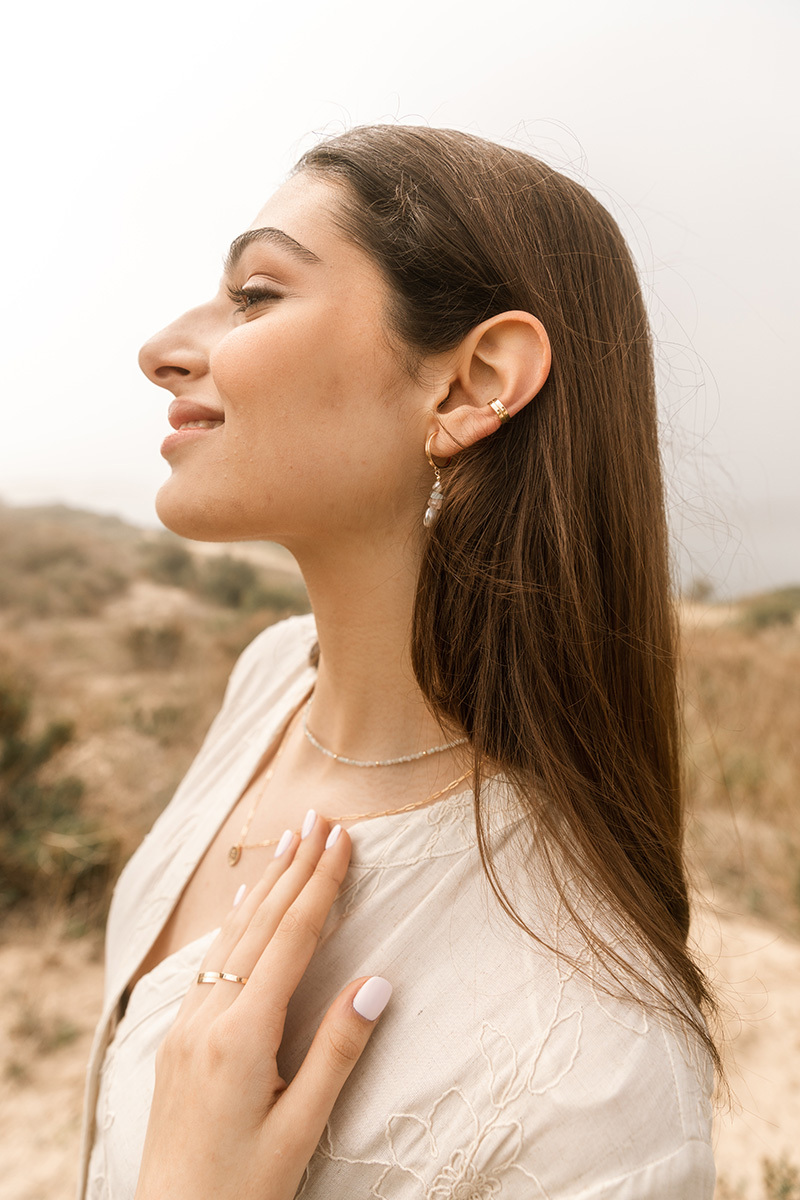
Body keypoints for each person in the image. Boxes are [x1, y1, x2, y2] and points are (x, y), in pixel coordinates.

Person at [78, 124, 717, 1200]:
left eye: (256, 294)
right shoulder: (274, 681)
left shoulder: (591, 1083)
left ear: (472, 383)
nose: (163, 348)